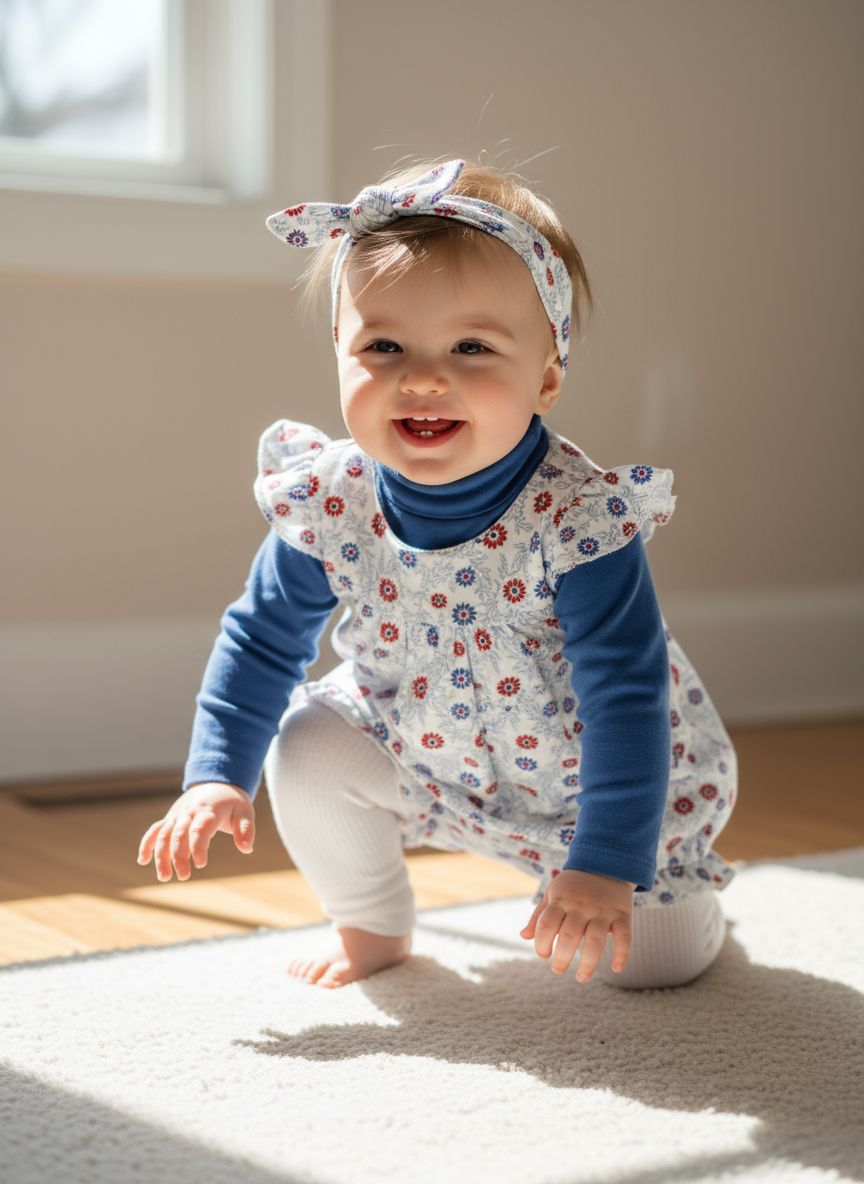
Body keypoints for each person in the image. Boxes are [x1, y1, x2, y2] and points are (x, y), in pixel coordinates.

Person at [137, 157, 737, 991]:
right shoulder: (330, 502)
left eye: (471, 346)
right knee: (307, 746)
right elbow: (263, 639)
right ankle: (372, 921)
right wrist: (213, 777)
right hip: (420, 754)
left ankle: (683, 905)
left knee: (651, 968)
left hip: (585, 791)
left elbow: (627, 697)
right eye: (383, 345)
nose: (422, 376)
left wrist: (605, 863)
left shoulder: (578, 525)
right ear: (340, 355)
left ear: (548, 376)